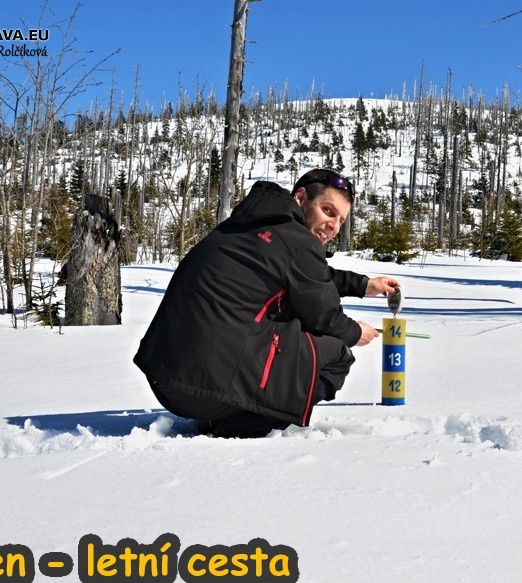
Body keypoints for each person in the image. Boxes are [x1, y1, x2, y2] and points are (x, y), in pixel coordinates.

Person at [134, 169, 399, 438]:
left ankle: (232, 408)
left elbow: (308, 275)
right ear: (300, 197)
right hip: (207, 393)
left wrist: (362, 285)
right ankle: (247, 420)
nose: (334, 226)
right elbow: (325, 317)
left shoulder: (249, 222)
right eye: (328, 211)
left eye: (341, 220)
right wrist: (356, 332)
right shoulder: (298, 242)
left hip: (163, 378)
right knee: (337, 353)